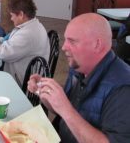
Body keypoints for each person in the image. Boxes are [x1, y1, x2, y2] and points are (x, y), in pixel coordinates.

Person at [27, 13, 130, 143]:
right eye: (65, 40)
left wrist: (66, 109)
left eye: (72, 41)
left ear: (97, 44)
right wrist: (45, 93)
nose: (64, 47)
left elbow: (67, 113)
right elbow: (64, 114)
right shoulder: (78, 67)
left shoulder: (123, 89)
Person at [0, 0, 50, 87]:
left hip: (23, 80)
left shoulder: (27, 33)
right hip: (26, 69)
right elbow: (10, 40)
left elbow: (3, 53)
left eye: (12, 15)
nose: (11, 19)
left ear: (21, 14)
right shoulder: (33, 24)